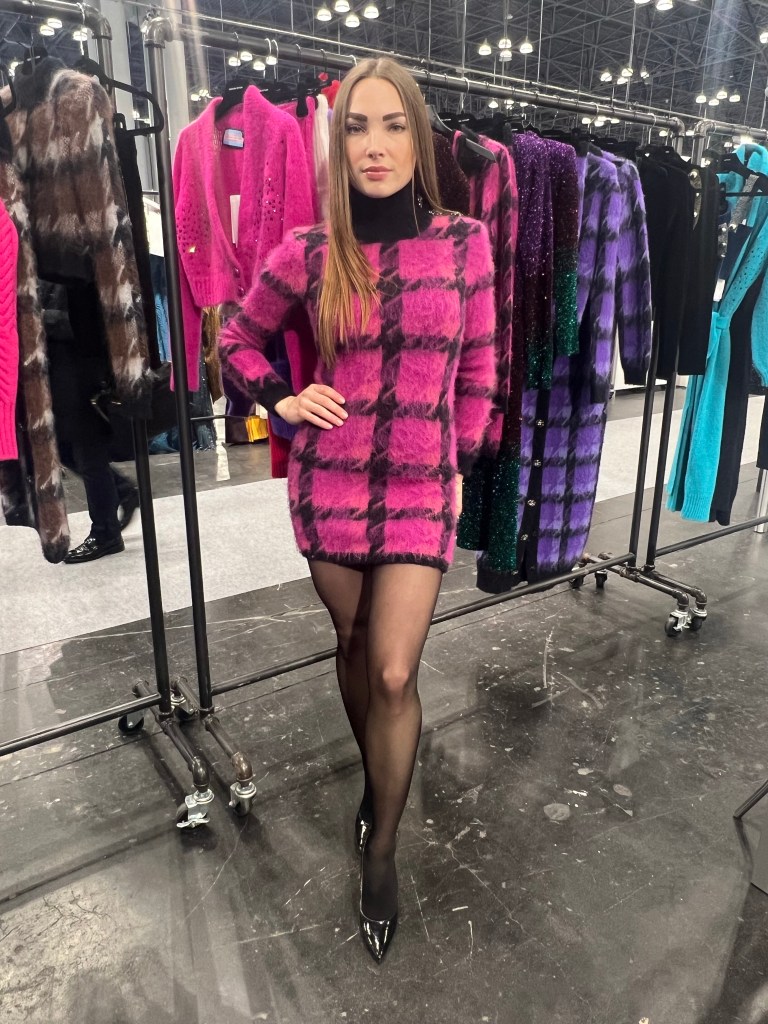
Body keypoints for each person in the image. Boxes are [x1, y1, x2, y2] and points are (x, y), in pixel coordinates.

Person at [219, 57, 497, 963]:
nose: (374, 145)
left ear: (419, 137)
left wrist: (458, 457)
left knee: (392, 670)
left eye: (392, 125)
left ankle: (379, 845)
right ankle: (380, 778)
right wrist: (282, 399)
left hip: (420, 485)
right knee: (349, 644)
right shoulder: (310, 248)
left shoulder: (464, 242)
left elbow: (480, 367)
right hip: (331, 480)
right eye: (357, 127)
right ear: (337, 144)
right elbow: (235, 339)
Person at [42, 282, 140, 564]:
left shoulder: (71, 261)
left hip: (81, 363)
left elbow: (81, 315)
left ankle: (106, 533)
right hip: (62, 364)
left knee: (87, 447)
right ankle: (121, 490)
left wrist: (38, 317)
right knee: (62, 446)